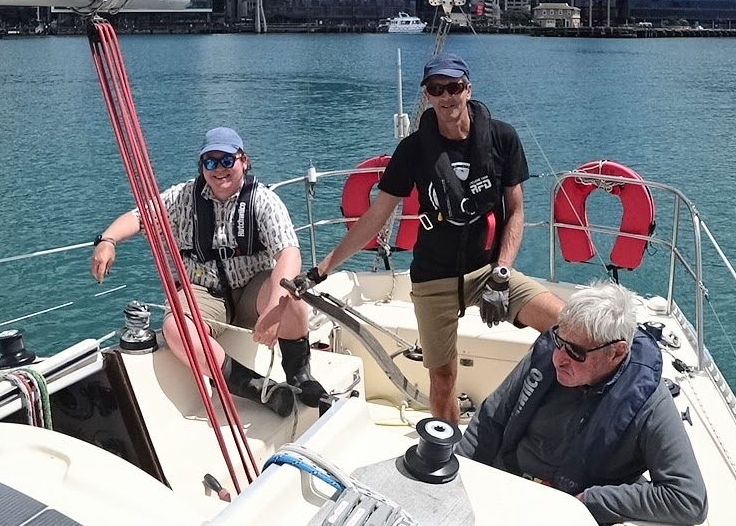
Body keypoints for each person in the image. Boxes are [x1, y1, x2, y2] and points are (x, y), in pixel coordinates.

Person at [311, 52, 563, 421]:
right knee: (443, 378)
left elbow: (516, 212)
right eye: (436, 88)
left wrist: (502, 272)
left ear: (468, 89)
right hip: (434, 278)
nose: (446, 96)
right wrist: (322, 269)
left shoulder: (502, 138)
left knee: (566, 324)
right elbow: (376, 216)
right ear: (427, 95)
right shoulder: (413, 150)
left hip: (489, 271)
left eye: (454, 87)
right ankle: (449, 446)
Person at [90, 127, 324, 417]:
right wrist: (107, 241)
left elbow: (288, 253)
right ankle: (255, 387)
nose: (219, 170)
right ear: (202, 167)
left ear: (244, 161)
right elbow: (139, 217)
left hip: (253, 288)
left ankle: (300, 375)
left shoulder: (263, 201)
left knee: (292, 298)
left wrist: (275, 309)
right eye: (210, 162)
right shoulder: (184, 197)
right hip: (205, 290)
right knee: (176, 328)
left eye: (227, 160)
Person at [458, 282, 708, 525]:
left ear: (617, 352)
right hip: (507, 487)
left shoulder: (650, 403)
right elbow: (490, 420)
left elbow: (688, 499)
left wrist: (592, 501)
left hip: (572, 513)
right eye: (558, 341)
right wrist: (458, 478)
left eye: (576, 352)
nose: (558, 358)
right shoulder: (548, 355)